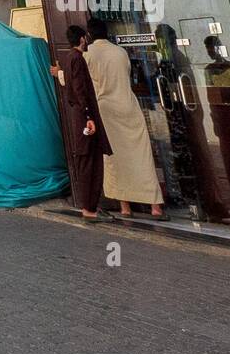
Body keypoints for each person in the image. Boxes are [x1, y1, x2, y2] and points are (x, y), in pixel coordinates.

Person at [83, 18, 166, 219]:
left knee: (114, 159)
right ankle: (155, 206)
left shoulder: (89, 55)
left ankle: (125, 207)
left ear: (88, 35)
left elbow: (79, 80)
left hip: (106, 109)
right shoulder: (120, 52)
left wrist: (58, 73)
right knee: (141, 155)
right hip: (128, 105)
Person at [55, 25, 112, 220]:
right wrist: (88, 117)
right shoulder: (77, 58)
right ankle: (90, 208)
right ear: (82, 39)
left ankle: (89, 206)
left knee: (87, 159)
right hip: (84, 117)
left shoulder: (69, 58)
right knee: (90, 160)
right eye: (84, 38)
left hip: (79, 116)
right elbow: (79, 89)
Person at [203, 35, 230, 222]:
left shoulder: (218, 70)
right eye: (209, 49)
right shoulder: (227, 68)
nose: (210, 52)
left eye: (211, 48)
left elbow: (215, 97)